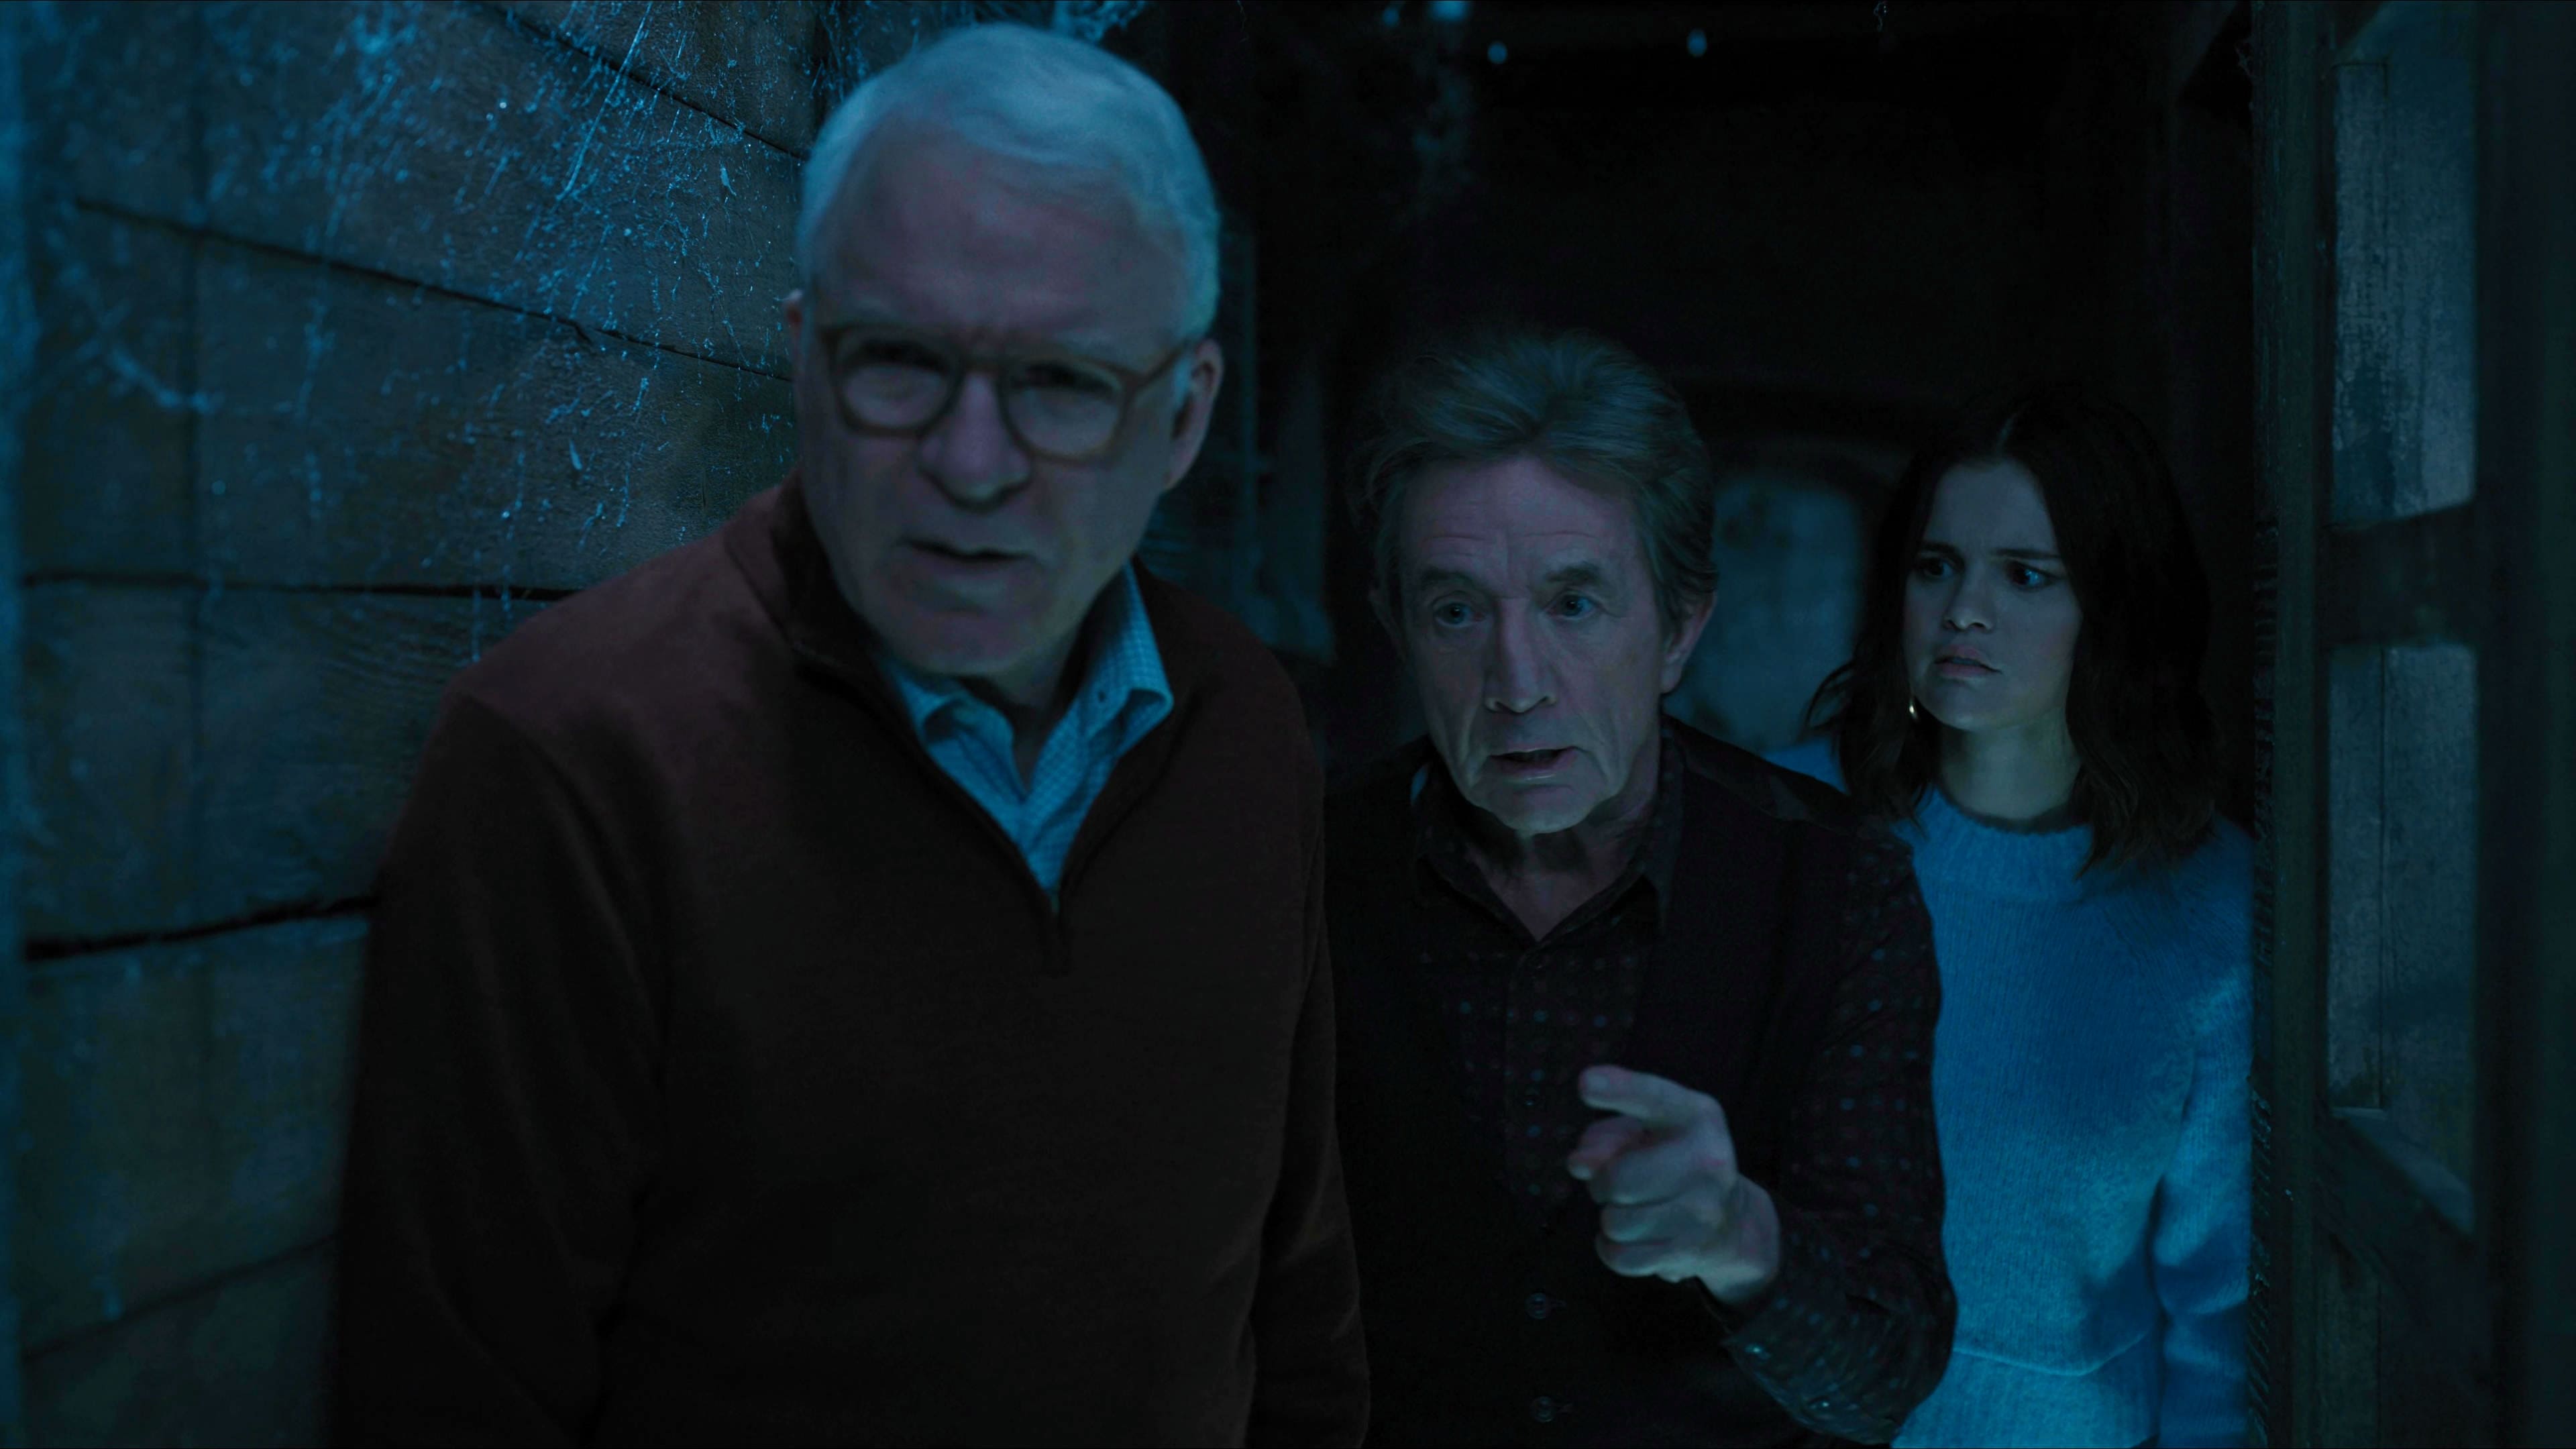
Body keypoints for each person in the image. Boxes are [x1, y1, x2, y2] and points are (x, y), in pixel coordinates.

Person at [333, 23, 1366, 1446]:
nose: (971, 463)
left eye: (1063, 383)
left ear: (1185, 416)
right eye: (898, 362)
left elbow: (1297, 1309)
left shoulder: (1239, 721)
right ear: (805, 361)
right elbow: (454, 1407)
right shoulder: (575, 758)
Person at [1327, 325, 1955, 1446]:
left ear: (1678, 629)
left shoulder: (1834, 886)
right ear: (1399, 633)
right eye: (1458, 611)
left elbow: (1886, 1375)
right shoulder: (1309, 872)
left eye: (1574, 605)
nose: (1517, 684)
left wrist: (1740, 1238)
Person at [1768, 383, 2252, 1448]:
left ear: (2117, 608)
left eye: (2026, 576)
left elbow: (2219, 1300)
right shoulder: (1785, 826)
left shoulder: (2210, 910)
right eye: (1936, 567)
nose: (1964, 611)